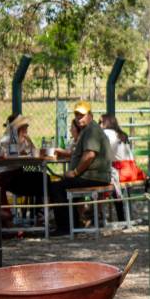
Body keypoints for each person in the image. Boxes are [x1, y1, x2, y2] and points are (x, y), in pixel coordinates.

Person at [49, 100, 112, 235]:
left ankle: (65, 228)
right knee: (61, 184)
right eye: (77, 115)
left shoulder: (91, 130)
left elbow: (89, 155)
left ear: (90, 115)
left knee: (56, 187)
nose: (78, 118)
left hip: (94, 177)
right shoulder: (88, 130)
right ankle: (73, 224)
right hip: (93, 176)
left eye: (81, 115)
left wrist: (75, 172)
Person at [0, 114, 45, 202]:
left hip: (17, 173)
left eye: (26, 126)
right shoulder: (7, 139)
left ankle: (38, 211)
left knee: (43, 178)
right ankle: (39, 211)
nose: (26, 128)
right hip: (5, 176)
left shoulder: (23, 139)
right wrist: (20, 152)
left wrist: (29, 141)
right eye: (24, 126)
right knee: (41, 180)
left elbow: (34, 153)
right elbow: (10, 155)